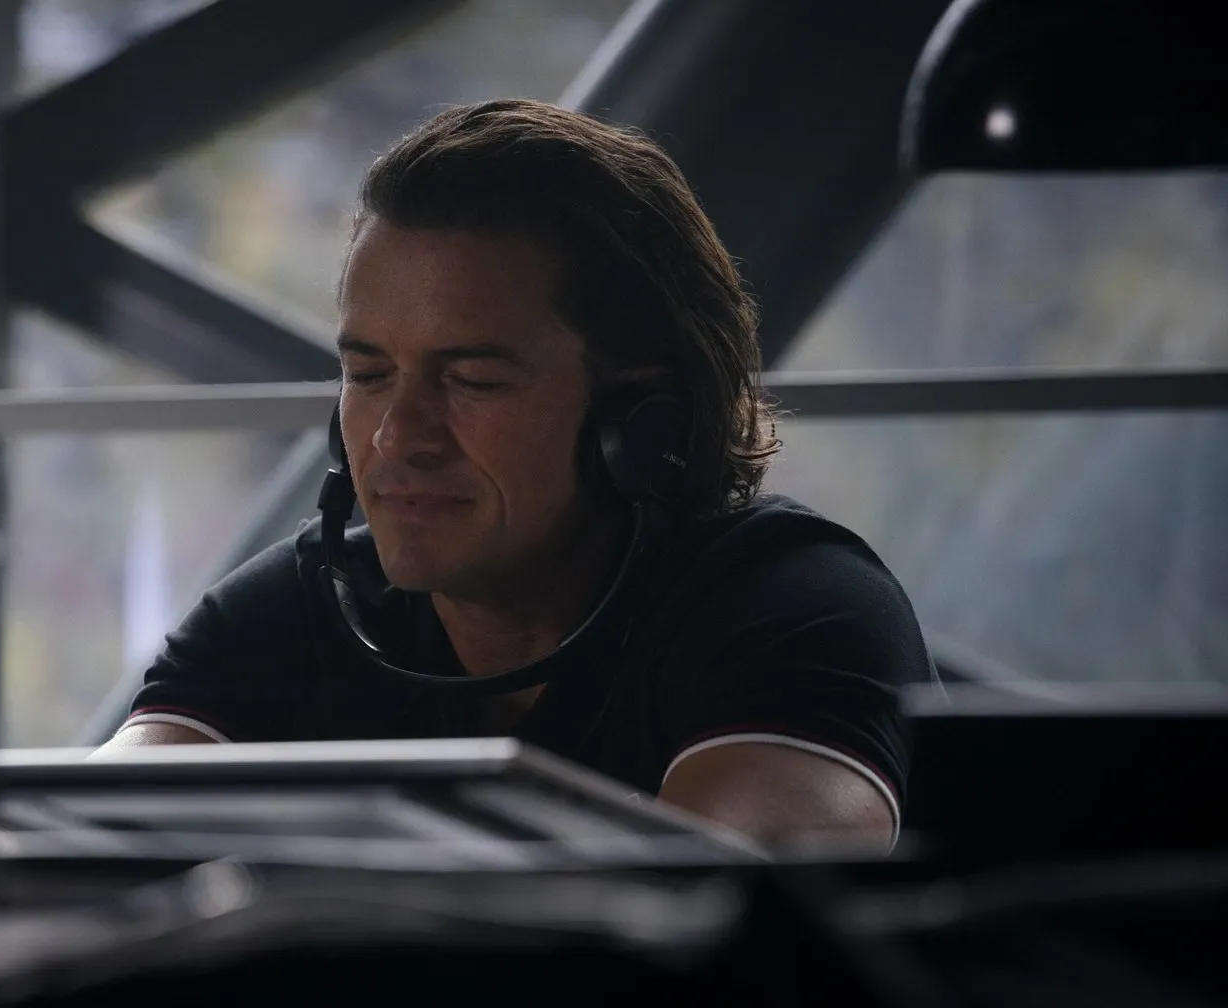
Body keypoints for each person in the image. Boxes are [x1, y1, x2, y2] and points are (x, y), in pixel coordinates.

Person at [98, 99, 932, 853]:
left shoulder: (797, 611)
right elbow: (79, 847)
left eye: (473, 380)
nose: (397, 435)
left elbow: (719, 926)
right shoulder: (305, 607)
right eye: (369, 375)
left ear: (643, 421)